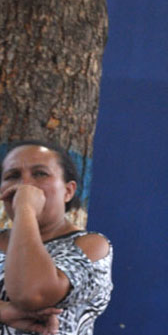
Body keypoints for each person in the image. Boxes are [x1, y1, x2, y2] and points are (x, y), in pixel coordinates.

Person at [0, 140, 113, 335]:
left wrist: (25, 208)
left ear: (68, 191)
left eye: (40, 173)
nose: (25, 185)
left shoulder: (91, 246)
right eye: (13, 176)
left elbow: (32, 293)